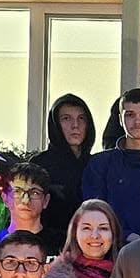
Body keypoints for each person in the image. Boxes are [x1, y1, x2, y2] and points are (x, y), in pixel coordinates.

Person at [84, 89, 140, 241]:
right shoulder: (99, 164)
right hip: (110, 246)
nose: (137, 122)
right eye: (130, 115)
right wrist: (127, 235)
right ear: (120, 119)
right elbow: (94, 210)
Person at [38, 94, 98, 228]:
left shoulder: (96, 165)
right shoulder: (40, 164)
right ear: (55, 124)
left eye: (81, 118)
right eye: (66, 118)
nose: (75, 125)